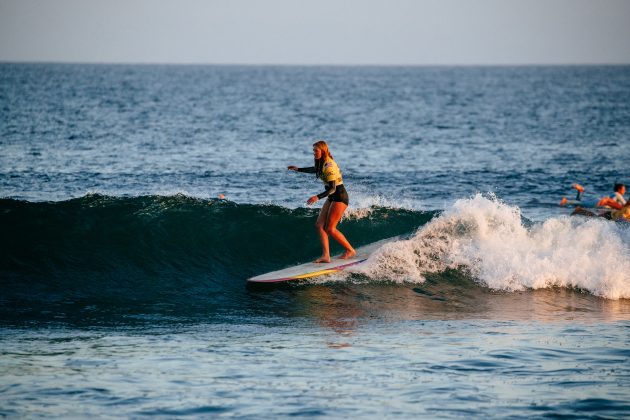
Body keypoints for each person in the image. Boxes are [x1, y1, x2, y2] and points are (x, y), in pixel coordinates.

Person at [288, 140, 356, 263]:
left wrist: (317, 197)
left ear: (323, 151)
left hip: (340, 197)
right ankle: (326, 256)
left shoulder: (329, 165)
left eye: (316, 150)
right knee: (319, 225)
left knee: (330, 228)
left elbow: (333, 188)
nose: (313, 153)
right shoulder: (322, 163)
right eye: (313, 150)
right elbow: (315, 169)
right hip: (332, 197)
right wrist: (298, 169)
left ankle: (350, 250)